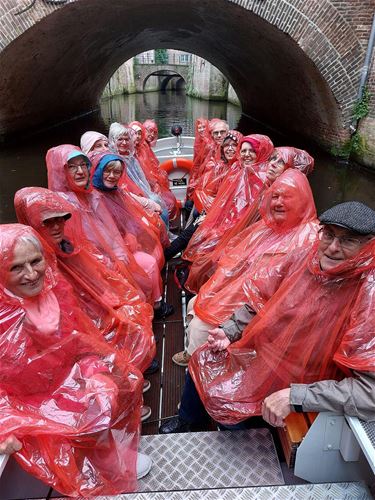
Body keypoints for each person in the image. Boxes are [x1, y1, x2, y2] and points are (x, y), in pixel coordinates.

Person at [160, 201, 375, 433]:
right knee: (203, 360)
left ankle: (244, 447)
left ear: (369, 246)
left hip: (309, 379)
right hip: (266, 356)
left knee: (231, 416)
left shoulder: (369, 294)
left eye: (348, 240)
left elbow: (369, 391)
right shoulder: (304, 258)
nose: (332, 247)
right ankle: (191, 421)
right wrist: (229, 330)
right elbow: (260, 297)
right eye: (329, 235)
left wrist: (298, 395)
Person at [0, 224, 152, 496]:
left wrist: (95, 371)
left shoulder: (55, 290)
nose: (32, 274)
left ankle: (106, 465)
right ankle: (86, 475)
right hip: (23, 404)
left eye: (36, 261)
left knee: (103, 398)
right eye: (16, 267)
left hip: (65, 381)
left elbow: (80, 341)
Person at [172, 169, 319, 366]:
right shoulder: (269, 228)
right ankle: (196, 355)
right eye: (275, 196)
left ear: (302, 200)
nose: (278, 202)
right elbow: (237, 262)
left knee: (200, 325)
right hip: (243, 291)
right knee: (195, 302)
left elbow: (282, 293)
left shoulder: (309, 237)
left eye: (288, 197)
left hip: (261, 306)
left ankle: (198, 366)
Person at [46, 144, 173, 318]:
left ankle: (152, 309)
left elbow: (111, 233)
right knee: (141, 276)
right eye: (72, 166)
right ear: (60, 171)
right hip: (95, 272)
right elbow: (77, 254)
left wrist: (120, 255)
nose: (80, 171)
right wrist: (111, 264)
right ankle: (149, 313)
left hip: (113, 259)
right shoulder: (59, 209)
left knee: (146, 263)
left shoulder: (93, 197)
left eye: (83, 165)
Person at [182, 134, 274, 265]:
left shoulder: (263, 178)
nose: (247, 154)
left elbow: (247, 214)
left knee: (200, 240)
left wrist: (219, 227)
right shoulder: (240, 171)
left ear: (261, 152)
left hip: (237, 230)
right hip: (226, 222)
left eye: (252, 151)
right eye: (244, 151)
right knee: (196, 226)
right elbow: (226, 201)